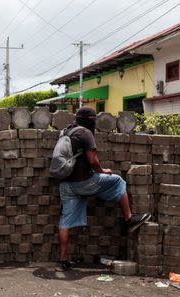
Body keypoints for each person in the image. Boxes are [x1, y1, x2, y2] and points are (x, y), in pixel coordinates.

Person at [56, 106, 151, 272]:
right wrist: (102, 171)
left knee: (65, 221)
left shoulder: (66, 131)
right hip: (83, 182)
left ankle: (62, 260)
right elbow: (92, 160)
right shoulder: (86, 133)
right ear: (91, 120)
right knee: (118, 181)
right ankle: (129, 219)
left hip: (66, 184)